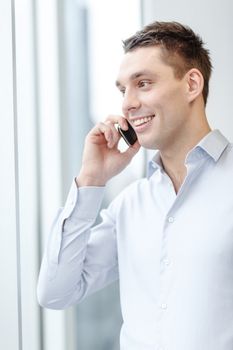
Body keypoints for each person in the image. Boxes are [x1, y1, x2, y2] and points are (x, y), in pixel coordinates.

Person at [37, 21, 233, 350]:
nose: (127, 103)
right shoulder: (129, 204)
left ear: (191, 85)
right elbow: (55, 292)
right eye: (122, 90)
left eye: (143, 83)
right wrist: (91, 180)